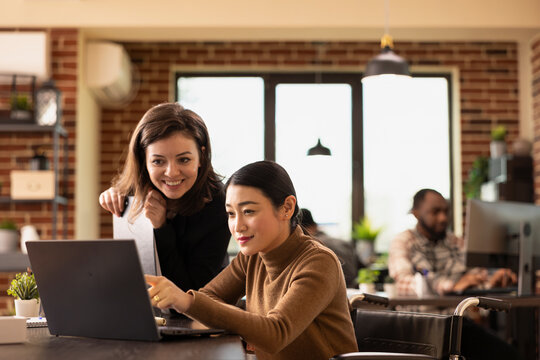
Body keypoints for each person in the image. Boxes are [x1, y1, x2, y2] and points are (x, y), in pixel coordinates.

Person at [145, 161, 358, 360]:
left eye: (248, 211)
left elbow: (275, 333)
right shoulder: (252, 257)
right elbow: (209, 296)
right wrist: (250, 325)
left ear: (287, 208)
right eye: (230, 213)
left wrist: (185, 300)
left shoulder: (319, 262)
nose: (237, 226)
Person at [99, 102, 230, 292]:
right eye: (158, 161)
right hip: (147, 309)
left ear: (201, 157)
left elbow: (191, 293)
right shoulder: (136, 190)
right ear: (144, 160)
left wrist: (161, 228)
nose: (171, 173)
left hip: (199, 312)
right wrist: (113, 195)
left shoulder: (220, 202)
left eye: (184, 159)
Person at [388, 188, 516, 296]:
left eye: (445, 211)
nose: (443, 218)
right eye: (435, 212)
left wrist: (492, 282)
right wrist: (452, 286)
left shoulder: (455, 241)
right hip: (420, 321)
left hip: (457, 319)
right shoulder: (403, 241)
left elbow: (475, 277)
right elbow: (404, 283)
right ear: (416, 214)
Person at [299, 208, 362, 288]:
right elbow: (362, 268)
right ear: (315, 226)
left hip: (334, 289)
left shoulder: (312, 247)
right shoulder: (344, 242)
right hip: (354, 290)